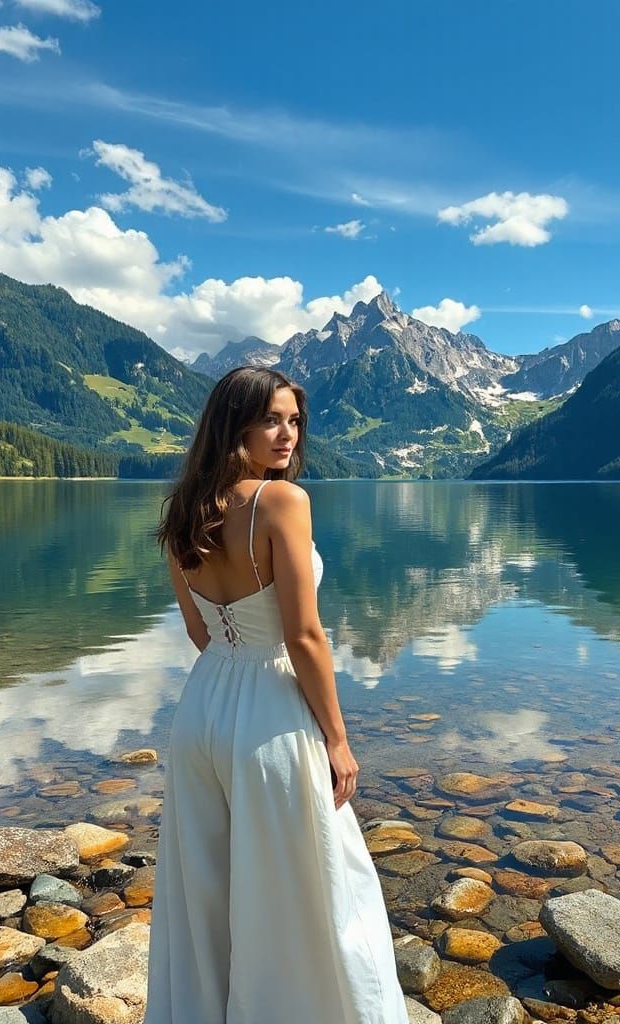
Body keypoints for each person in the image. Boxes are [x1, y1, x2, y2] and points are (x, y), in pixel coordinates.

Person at [145, 365, 409, 1023]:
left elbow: (199, 630)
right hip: (270, 710)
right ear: (234, 425)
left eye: (294, 420)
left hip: (203, 710)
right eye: (272, 419)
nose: (287, 433)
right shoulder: (282, 503)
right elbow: (305, 637)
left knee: (207, 888)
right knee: (315, 888)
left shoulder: (183, 511)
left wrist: (235, 674)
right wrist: (339, 741)